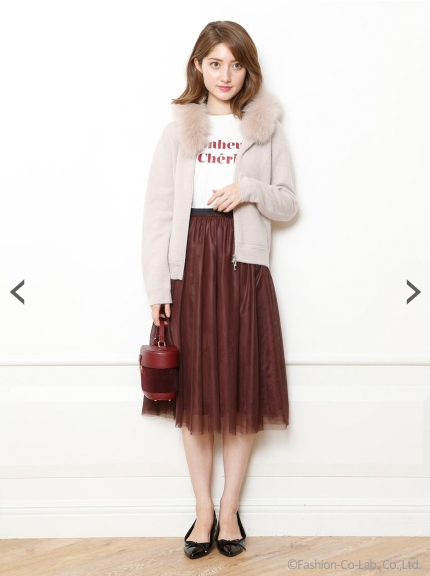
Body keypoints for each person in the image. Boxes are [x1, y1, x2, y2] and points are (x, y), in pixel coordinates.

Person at [140, 20, 298, 559]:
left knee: (239, 387)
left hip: (243, 266)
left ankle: (229, 510)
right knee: (197, 393)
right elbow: (158, 215)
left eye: (235, 64)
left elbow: (287, 203)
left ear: (247, 70)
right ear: (198, 66)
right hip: (190, 266)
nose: (225, 75)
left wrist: (248, 189)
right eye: (214, 63)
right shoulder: (177, 131)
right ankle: (202, 511)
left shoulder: (265, 128)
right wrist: (158, 285)